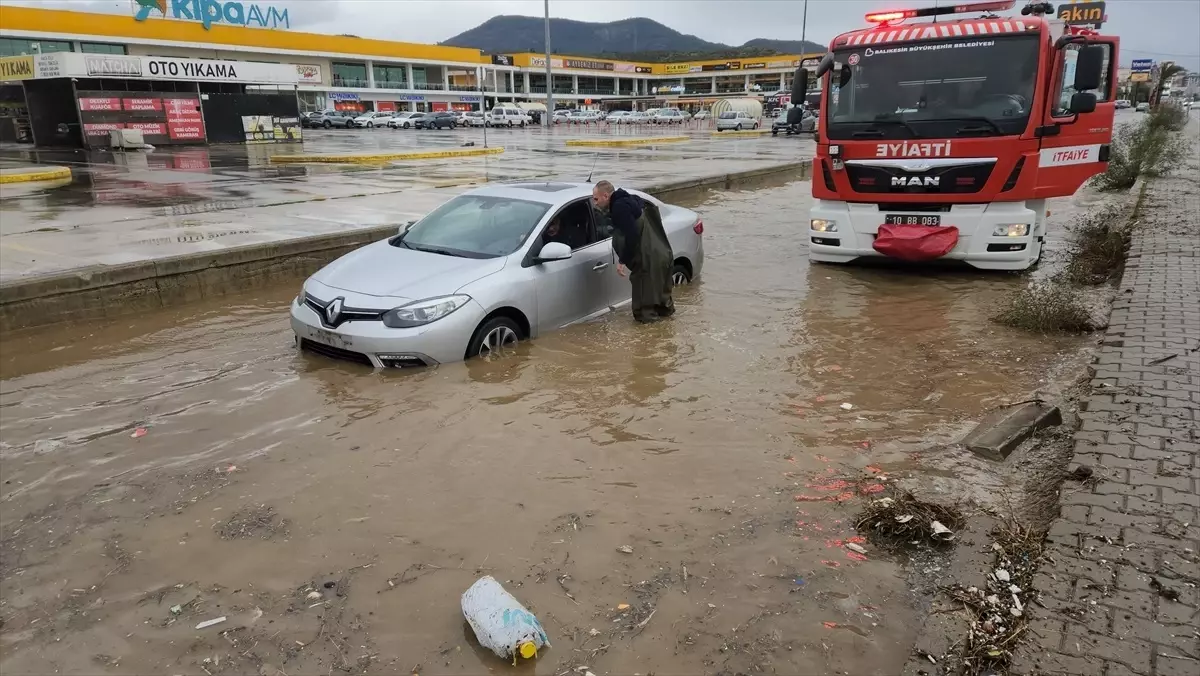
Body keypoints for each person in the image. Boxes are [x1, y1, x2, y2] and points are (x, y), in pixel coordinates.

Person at [591, 180, 674, 323]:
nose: (595, 203)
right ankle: (668, 338)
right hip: (660, 255)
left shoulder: (619, 208)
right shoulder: (630, 199)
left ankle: (650, 344)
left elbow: (632, 234)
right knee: (663, 305)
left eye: (596, 199)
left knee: (644, 313)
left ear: (605, 196)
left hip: (647, 262)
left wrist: (622, 260)